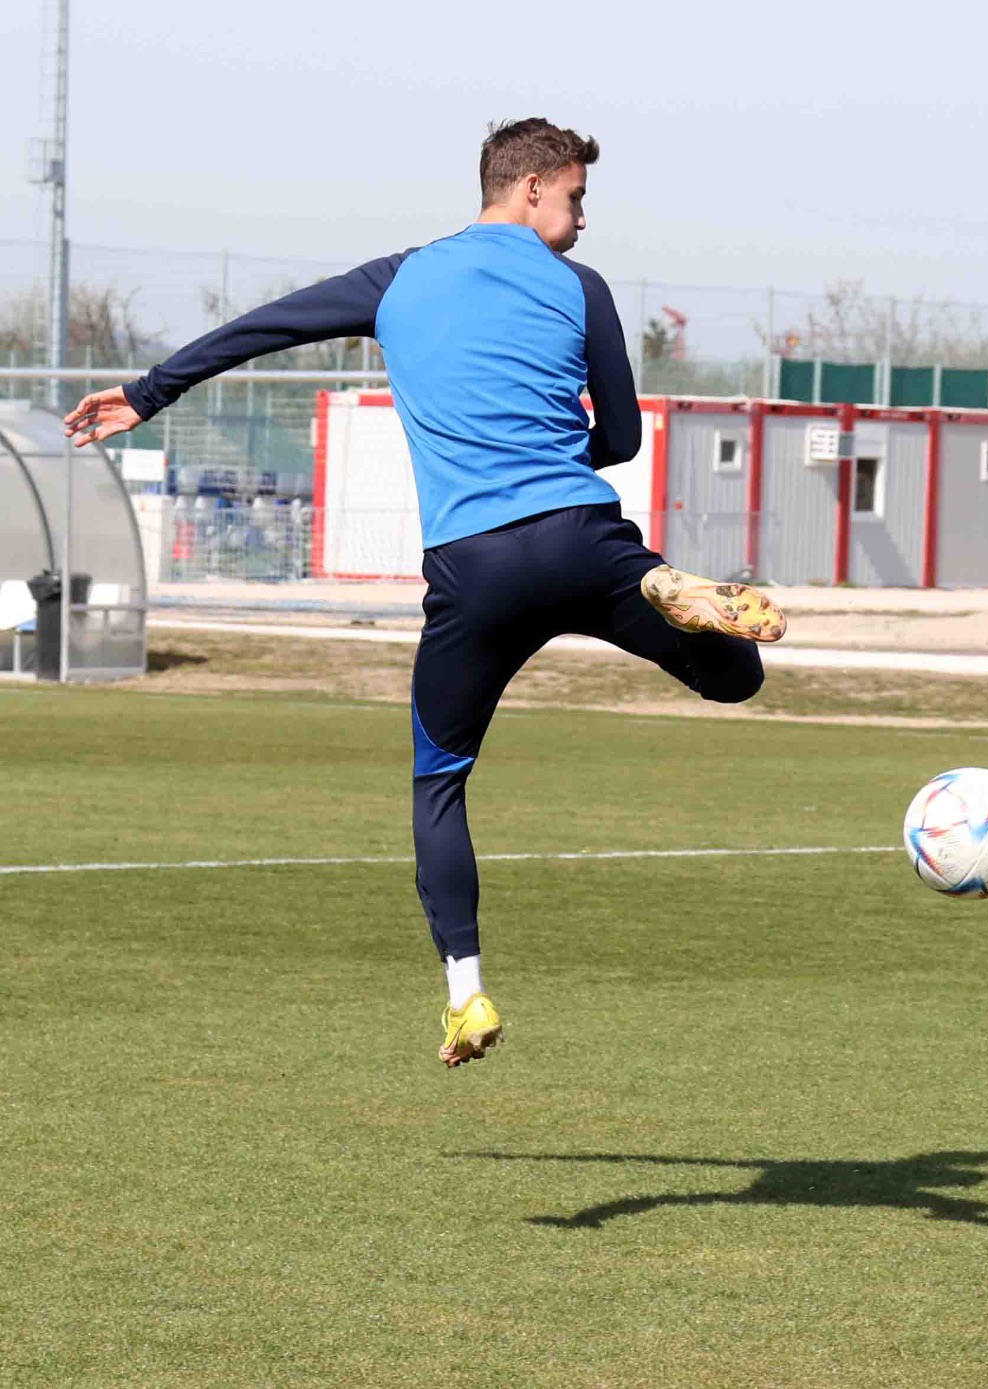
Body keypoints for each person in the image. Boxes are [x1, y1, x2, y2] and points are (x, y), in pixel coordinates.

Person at [65, 118, 788, 1069]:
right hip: (584, 540)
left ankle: (466, 996)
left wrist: (150, 392)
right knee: (737, 679)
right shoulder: (582, 289)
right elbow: (620, 438)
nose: (582, 221)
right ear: (532, 187)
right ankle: (661, 582)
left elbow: (263, 327)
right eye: (577, 199)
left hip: (473, 567)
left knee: (439, 783)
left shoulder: (396, 280)